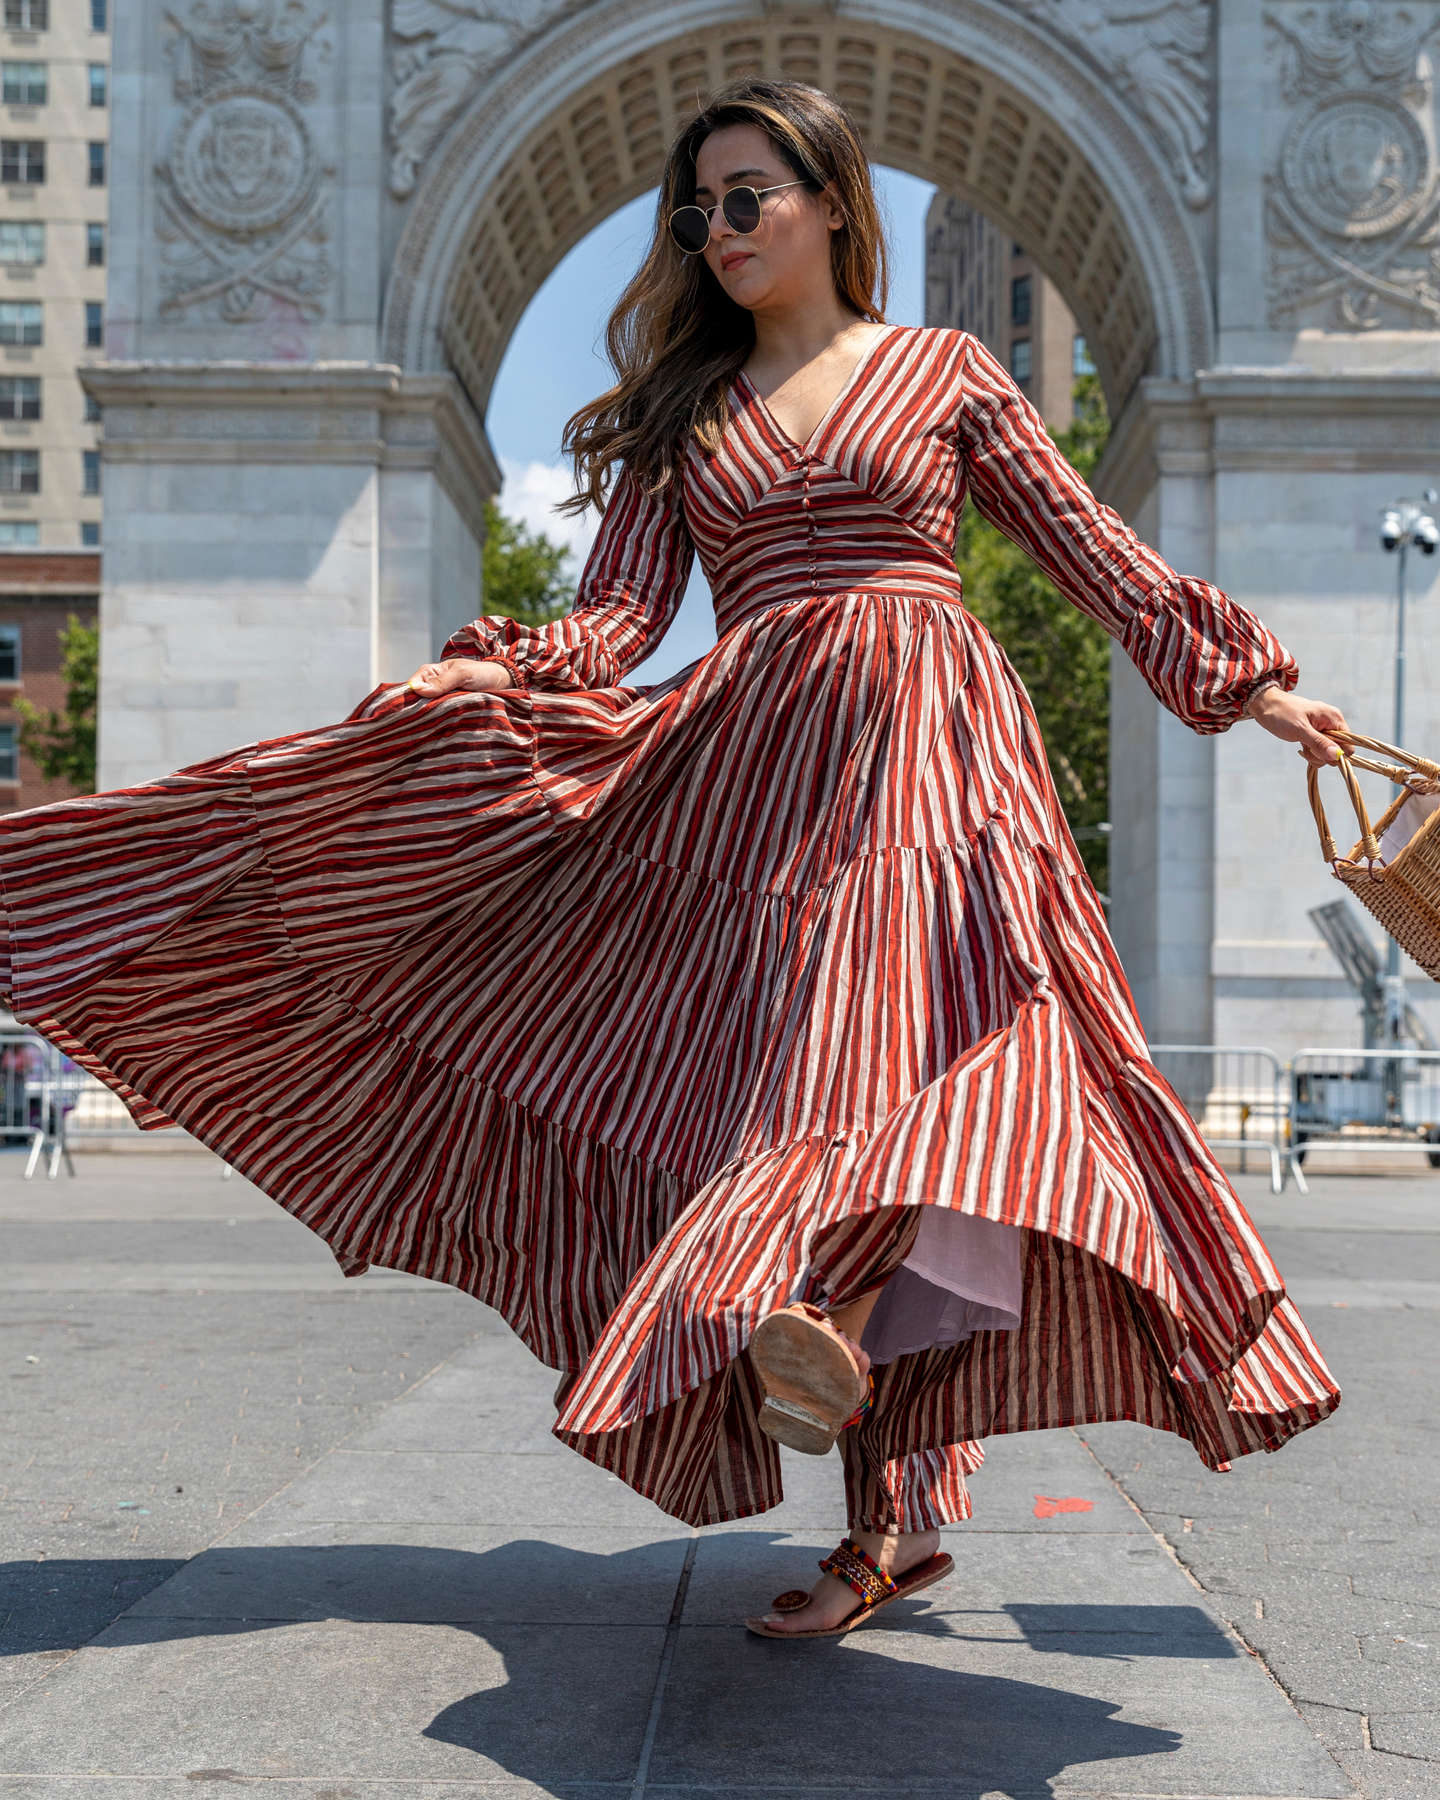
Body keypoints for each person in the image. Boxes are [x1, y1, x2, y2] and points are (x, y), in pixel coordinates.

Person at [0, 78, 1343, 1642]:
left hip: (945, 757)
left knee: (983, 1050)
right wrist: (498, 669)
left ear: (835, 201)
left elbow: (1095, 557)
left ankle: (837, 1344)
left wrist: (1252, 687)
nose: (719, 229)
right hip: (760, 788)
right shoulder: (687, 417)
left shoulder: (949, 370)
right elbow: (621, 620)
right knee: (812, 1090)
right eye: (698, 207)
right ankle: (885, 1502)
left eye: (750, 194)